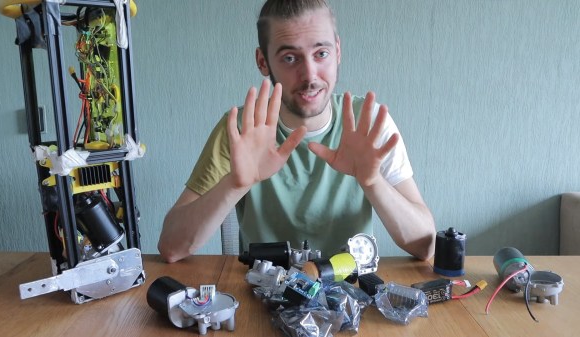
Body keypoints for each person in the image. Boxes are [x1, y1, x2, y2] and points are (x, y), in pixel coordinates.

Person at [158, 0, 435, 263]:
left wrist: (374, 183)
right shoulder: (243, 130)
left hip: (350, 294)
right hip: (264, 294)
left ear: (338, 51)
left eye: (321, 53)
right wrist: (235, 183)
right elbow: (171, 248)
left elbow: (425, 245)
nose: (310, 75)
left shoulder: (368, 123)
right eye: (290, 58)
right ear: (263, 61)